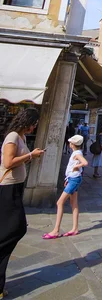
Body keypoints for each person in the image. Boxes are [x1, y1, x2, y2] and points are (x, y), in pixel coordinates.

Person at [0, 108, 44, 300]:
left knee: (13, 229)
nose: (34, 126)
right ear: (26, 121)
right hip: (7, 189)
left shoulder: (21, 137)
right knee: (15, 229)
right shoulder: (12, 137)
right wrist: (30, 156)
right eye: (33, 123)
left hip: (16, 188)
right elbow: (8, 162)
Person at [43, 134, 88, 239]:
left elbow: (85, 162)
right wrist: (67, 178)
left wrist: (77, 166)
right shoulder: (76, 153)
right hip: (73, 179)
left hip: (74, 180)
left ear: (72, 144)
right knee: (74, 203)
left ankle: (56, 230)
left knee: (60, 202)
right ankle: (75, 228)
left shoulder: (76, 153)